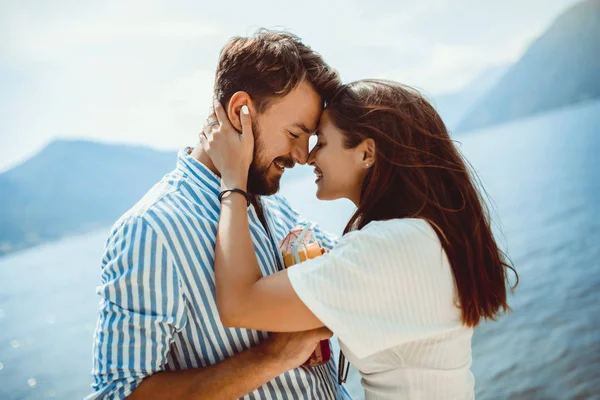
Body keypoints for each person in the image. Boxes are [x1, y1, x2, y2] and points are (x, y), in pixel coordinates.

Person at [201, 79, 518, 400]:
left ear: (366, 153)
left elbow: (238, 304)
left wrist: (233, 178)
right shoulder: (425, 233)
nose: (309, 158)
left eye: (321, 143)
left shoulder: (385, 249)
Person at [87, 29, 353, 399]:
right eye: (295, 134)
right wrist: (270, 358)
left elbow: (352, 270)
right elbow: (118, 394)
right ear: (240, 110)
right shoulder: (152, 230)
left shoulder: (271, 200)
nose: (302, 156)